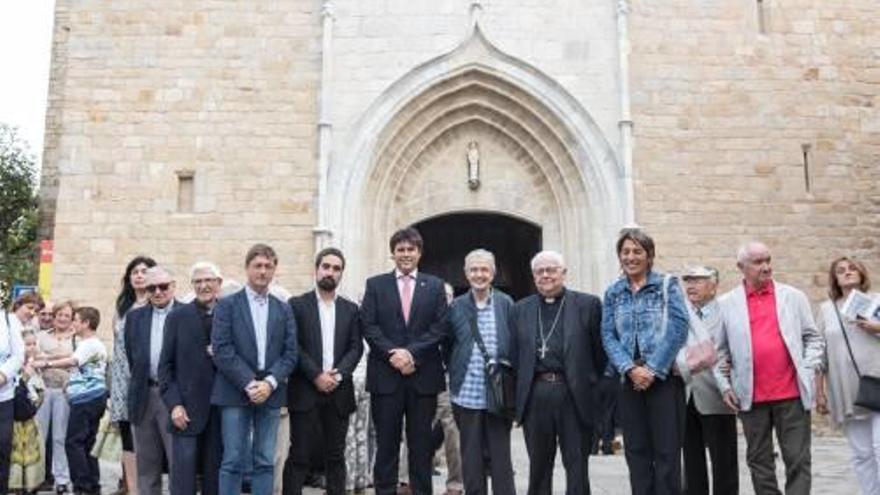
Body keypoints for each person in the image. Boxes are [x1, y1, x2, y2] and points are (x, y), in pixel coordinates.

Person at [715, 241, 824, 495]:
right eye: (758, 262)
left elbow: (813, 338)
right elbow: (719, 352)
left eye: (768, 260)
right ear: (741, 267)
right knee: (759, 462)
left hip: (792, 395)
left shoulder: (793, 296)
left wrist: (807, 369)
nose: (766, 267)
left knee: (798, 460)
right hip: (750, 396)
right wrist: (724, 386)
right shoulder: (726, 303)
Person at [601, 228, 689, 495]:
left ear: (649, 256)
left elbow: (678, 327)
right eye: (625, 252)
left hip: (663, 380)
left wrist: (652, 369)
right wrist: (629, 368)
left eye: (637, 251)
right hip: (629, 381)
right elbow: (607, 334)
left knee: (667, 453)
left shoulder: (666, 285)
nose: (631, 257)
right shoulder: (613, 292)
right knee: (636, 453)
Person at [510, 250, 605, 495]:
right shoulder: (520, 309)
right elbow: (514, 357)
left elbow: (600, 355)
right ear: (533, 276)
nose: (546, 275)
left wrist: (593, 390)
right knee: (539, 466)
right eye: (540, 271)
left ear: (564, 273)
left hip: (573, 394)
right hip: (536, 394)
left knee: (576, 465)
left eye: (551, 270)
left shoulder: (588, 305)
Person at [361, 227, 448, 495]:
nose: (406, 254)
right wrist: (393, 354)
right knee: (386, 444)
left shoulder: (434, 286)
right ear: (393, 254)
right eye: (401, 249)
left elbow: (440, 327)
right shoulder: (376, 285)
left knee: (421, 446)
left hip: (423, 379)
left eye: (411, 249)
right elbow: (369, 325)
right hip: (386, 378)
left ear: (419, 253)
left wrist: (411, 354)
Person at [211, 243, 298, 495]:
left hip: (270, 391)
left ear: (274, 270)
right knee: (233, 460)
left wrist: (269, 383)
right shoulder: (227, 305)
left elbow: (290, 353)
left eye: (268, 266)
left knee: (264, 460)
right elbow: (222, 349)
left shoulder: (283, 308)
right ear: (247, 269)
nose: (263, 271)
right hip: (235, 389)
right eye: (257, 266)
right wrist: (250, 383)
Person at [283, 247, 364, 495]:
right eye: (326, 266)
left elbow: (355, 348)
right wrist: (316, 375)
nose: (330, 272)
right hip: (305, 390)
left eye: (336, 268)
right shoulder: (296, 305)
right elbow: (293, 346)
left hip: (339, 392)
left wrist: (337, 376)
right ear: (316, 270)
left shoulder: (351, 309)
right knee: (299, 455)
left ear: (341, 274)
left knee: (335, 457)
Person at [446, 249, 516, 495]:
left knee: (500, 459)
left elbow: (516, 343)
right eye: (474, 269)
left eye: (484, 269)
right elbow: (448, 345)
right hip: (466, 393)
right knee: (471, 459)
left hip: (498, 394)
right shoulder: (456, 307)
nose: (479, 274)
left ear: (493, 273)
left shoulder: (506, 304)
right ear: (465, 274)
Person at [159, 262, 225, 495]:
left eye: (208, 280)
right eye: (198, 281)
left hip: (222, 409)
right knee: (182, 481)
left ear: (219, 283)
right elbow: (165, 367)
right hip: (185, 410)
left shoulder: (231, 314)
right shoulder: (177, 317)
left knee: (215, 479)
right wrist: (174, 405)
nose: (203, 285)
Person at [816, 256, 880, 495]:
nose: (847, 272)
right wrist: (820, 392)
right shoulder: (826, 309)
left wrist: (877, 327)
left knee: (879, 447)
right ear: (835, 278)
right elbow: (819, 353)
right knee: (862, 454)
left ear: (862, 273)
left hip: (877, 382)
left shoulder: (876, 301)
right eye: (841, 270)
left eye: (852, 268)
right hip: (845, 389)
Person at [677, 266, 738, 495]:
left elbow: (739, 345)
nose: (691, 285)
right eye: (688, 281)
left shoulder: (727, 312)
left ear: (713, 286)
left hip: (717, 393)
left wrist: (735, 365)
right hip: (686, 393)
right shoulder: (681, 313)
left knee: (723, 460)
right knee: (691, 459)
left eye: (698, 281)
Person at [35, 307, 108, 495]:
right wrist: (48, 356)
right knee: (87, 444)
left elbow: (72, 361)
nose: (72, 323)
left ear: (85, 323)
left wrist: (46, 364)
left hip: (86, 399)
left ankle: (82, 487)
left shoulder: (89, 343)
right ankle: (93, 486)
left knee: (74, 443)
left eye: (75, 319)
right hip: (94, 398)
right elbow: (70, 356)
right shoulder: (91, 344)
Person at [125, 266, 178, 495]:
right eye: (151, 288)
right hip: (144, 396)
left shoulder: (187, 314)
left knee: (179, 464)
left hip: (175, 399)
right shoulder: (135, 317)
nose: (157, 292)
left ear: (173, 286)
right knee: (146, 466)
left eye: (163, 286)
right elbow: (132, 356)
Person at [110, 255, 156, 495]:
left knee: (148, 437)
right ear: (129, 277)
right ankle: (133, 489)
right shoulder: (122, 308)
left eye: (144, 271)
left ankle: (149, 486)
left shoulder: (157, 305)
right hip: (121, 382)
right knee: (128, 437)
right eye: (135, 271)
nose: (139, 275)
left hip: (148, 382)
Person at [35, 300, 76, 494]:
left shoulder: (77, 339)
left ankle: (61, 479)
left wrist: (48, 359)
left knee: (60, 436)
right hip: (43, 390)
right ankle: (37, 478)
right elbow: (35, 359)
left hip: (64, 392)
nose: (62, 318)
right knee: (40, 435)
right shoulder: (41, 336)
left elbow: (76, 361)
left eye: (67, 315)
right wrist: (62, 359)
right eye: (59, 314)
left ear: (72, 318)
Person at [9, 329, 46, 494]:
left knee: (32, 456)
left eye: (33, 344)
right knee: (15, 457)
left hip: (31, 419)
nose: (31, 348)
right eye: (27, 344)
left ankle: (30, 486)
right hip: (15, 420)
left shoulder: (36, 365)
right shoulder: (12, 366)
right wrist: (24, 377)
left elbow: (40, 391)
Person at [1, 303, 26, 495]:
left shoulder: (9, 321)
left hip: (4, 396)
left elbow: (19, 356)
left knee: (2, 447)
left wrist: (2, 375)